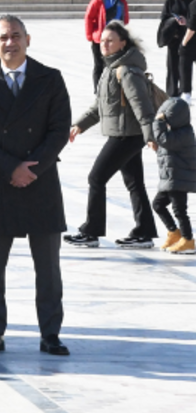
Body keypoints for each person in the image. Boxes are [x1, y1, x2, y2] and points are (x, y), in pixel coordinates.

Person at [0, 15, 72, 356]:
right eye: (3, 37)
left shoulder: (50, 79)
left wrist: (32, 168)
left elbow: (59, 129)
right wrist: (11, 167)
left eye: (16, 36)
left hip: (41, 182)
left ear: (28, 39)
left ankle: (50, 333)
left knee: (48, 268)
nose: (10, 42)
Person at [65, 20, 160, 249]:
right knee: (134, 183)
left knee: (96, 178)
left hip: (127, 136)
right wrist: (79, 125)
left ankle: (91, 231)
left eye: (110, 41)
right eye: (102, 41)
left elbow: (142, 106)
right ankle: (144, 232)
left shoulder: (126, 71)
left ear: (123, 43)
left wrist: (150, 136)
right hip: (124, 133)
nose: (104, 45)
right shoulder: (111, 69)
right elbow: (100, 106)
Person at [153, 97, 196, 254]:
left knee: (179, 210)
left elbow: (164, 140)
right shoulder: (175, 132)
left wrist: (158, 123)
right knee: (158, 205)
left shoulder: (185, 133)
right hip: (170, 178)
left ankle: (188, 240)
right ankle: (174, 232)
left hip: (178, 178)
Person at [84, 0, 129, 89]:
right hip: (100, 38)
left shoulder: (121, 2)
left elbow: (125, 19)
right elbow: (89, 17)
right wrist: (90, 36)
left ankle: (111, 89)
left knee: (113, 64)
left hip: (116, 38)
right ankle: (98, 89)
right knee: (99, 65)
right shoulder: (99, 0)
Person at [160, 0, 193, 98]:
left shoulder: (192, 1)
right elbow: (164, 18)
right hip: (174, 37)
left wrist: (186, 20)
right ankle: (172, 92)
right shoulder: (170, 1)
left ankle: (185, 91)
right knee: (172, 65)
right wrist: (174, 20)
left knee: (186, 66)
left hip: (189, 37)